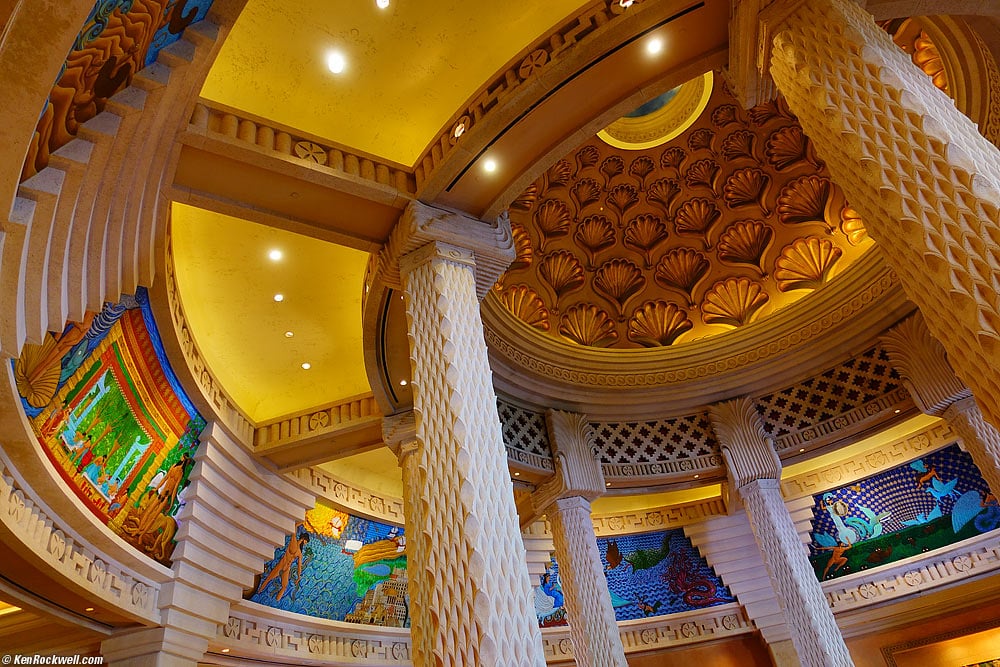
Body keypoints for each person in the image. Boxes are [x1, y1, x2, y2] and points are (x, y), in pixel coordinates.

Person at [257, 525, 309, 601]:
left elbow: (299, 566)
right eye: (306, 542)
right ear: (304, 539)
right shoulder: (293, 543)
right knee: (269, 579)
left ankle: (276, 601)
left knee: (284, 586)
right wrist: (297, 524)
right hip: (282, 564)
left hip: (287, 568)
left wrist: (298, 576)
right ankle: (259, 592)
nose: (306, 543)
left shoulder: (299, 553)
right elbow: (294, 533)